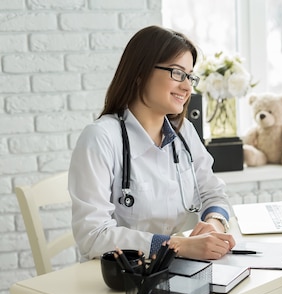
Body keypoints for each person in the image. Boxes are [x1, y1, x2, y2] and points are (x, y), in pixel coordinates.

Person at [69, 26, 236, 262]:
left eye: (189, 76)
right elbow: (93, 236)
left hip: (184, 268)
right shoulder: (101, 137)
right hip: (126, 278)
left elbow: (214, 193)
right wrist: (177, 246)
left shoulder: (184, 132)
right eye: (177, 73)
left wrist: (214, 225)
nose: (187, 87)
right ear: (141, 73)